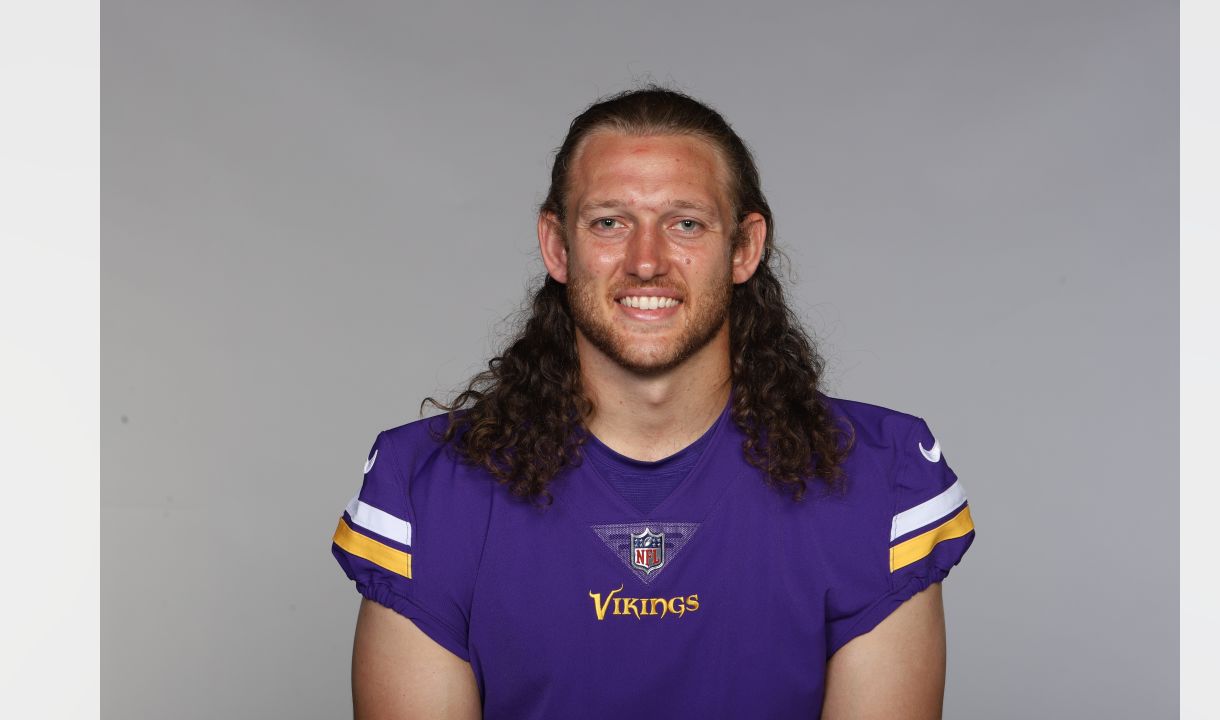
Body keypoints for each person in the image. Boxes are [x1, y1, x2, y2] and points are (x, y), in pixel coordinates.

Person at [331, 86, 975, 720]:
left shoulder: (878, 475)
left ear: (744, 249)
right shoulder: (428, 484)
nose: (646, 262)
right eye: (610, 222)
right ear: (557, 246)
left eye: (685, 223)